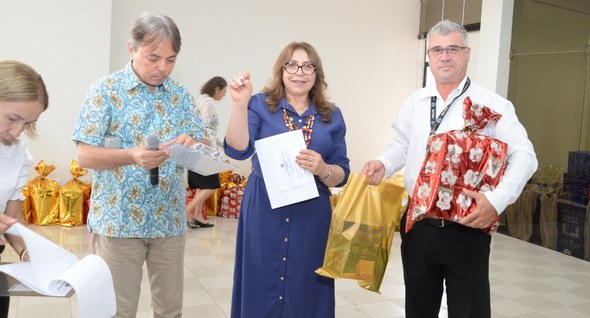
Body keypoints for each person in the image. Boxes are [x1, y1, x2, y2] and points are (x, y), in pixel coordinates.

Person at [362, 20, 538, 318]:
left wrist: (497, 201)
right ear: (429, 56)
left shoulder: (492, 105)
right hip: (418, 226)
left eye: (453, 49)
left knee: (469, 310)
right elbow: (402, 145)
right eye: (438, 50)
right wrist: (383, 162)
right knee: (418, 309)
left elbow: (525, 155)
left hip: (467, 227)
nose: (445, 56)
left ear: (467, 54)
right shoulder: (416, 102)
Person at [71, 13, 205, 318]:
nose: (163, 68)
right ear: (132, 50)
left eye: (171, 60)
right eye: (154, 57)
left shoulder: (180, 95)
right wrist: (133, 155)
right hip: (118, 223)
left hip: (168, 221)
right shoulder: (104, 91)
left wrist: (193, 147)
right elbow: (84, 155)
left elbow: (204, 151)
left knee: (170, 310)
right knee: (118, 310)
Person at [225, 41, 350, 318]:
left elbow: (342, 172)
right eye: (291, 65)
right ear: (281, 70)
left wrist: (323, 169)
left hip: (312, 214)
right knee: (260, 278)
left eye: (308, 66)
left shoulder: (332, 116)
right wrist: (238, 105)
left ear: (317, 73)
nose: (299, 72)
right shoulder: (259, 104)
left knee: (307, 283)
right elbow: (237, 149)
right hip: (265, 208)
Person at [0, 59, 48, 317]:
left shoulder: (16, 152)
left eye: (28, 123)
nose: (17, 131)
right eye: (13, 118)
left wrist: (29, 250)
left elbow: (12, 216)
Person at [186, 76, 227, 229]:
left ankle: (197, 216)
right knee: (211, 185)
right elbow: (202, 127)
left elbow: (209, 131)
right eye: (223, 91)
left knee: (202, 186)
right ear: (216, 89)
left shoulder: (202, 101)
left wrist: (222, 145)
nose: (224, 94)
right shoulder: (207, 103)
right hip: (203, 150)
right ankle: (188, 211)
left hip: (201, 148)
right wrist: (209, 145)